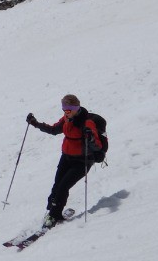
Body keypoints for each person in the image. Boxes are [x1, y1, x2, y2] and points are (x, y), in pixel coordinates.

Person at [27, 94, 102, 227]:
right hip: (66, 157)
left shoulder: (87, 123)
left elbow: (97, 146)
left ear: (75, 108)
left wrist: (89, 137)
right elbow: (53, 130)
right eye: (63, 110)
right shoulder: (66, 119)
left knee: (63, 186)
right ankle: (52, 211)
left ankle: (54, 216)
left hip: (81, 162)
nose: (65, 113)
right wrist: (35, 123)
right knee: (57, 185)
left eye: (68, 110)